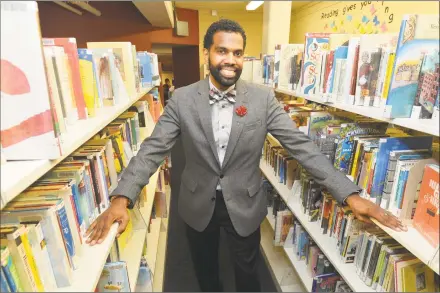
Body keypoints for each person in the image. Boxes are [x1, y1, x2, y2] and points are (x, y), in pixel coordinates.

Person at [85, 19, 407, 292]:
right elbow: (152, 149)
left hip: (246, 203)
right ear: (207, 52)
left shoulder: (262, 99)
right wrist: (121, 199)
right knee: (206, 276)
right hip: (198, 204)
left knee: (248, 276)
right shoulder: (183, 100)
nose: (231, 60)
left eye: (238, 53)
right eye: (222, 51)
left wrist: (349, 194)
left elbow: (300, 146)